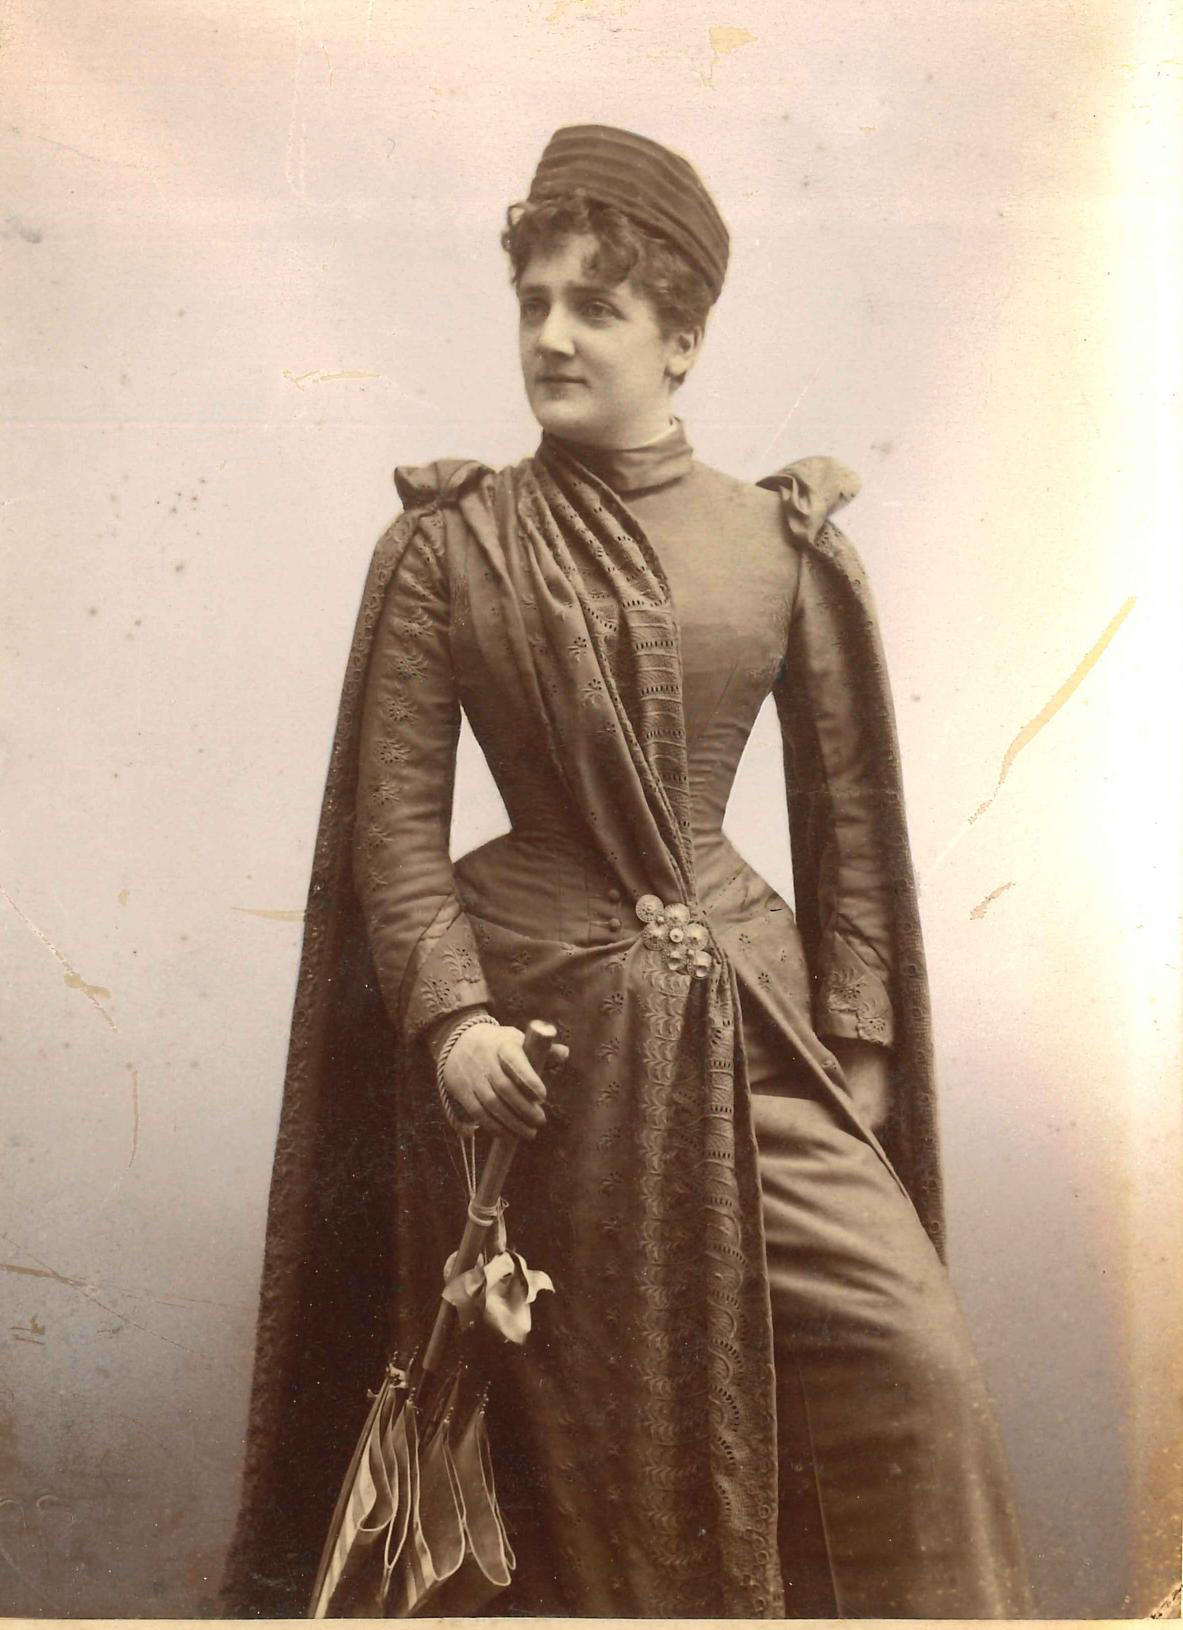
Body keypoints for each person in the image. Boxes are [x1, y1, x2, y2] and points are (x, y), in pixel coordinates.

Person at [221, 125, 1033, 1618]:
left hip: (744, 1037)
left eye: (595, 306)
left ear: (682, 339)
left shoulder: (780, 544)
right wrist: (452, 1023)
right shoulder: (452, 544)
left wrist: (857, 1049)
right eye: (533, 300)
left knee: (913, 1373)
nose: (551, 336)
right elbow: (395, 835)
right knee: (575, 1464)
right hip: (534, 1055)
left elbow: (851, 828)